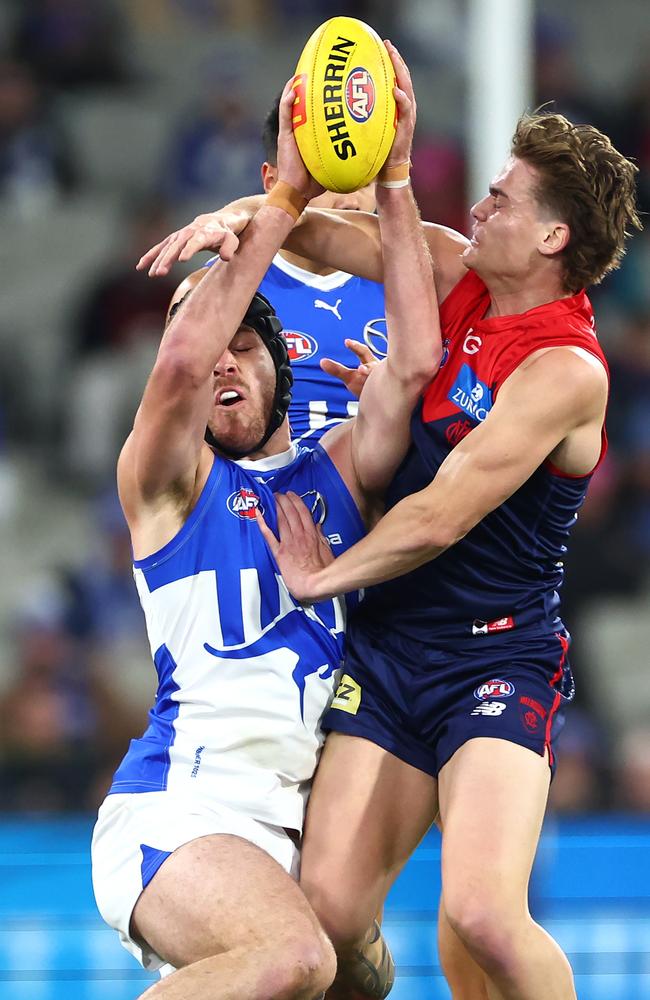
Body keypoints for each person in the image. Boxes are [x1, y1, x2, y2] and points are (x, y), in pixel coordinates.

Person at [138, 42, 641, 1000]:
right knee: (326, 913)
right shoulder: (456, 269)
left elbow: (444, 513)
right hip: (390, 648)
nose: (481, 207)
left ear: (549, 241)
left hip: (493, 658)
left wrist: (322, 574)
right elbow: (321, 235)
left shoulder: (566, 371)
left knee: (485, 915)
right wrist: (234, 220)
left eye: (502, 199)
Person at [93, 63, 440, 1000]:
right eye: (210, 349)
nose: (221, 366)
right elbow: (175, 367)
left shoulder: (335, 475)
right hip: (179, 810)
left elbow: (415, 361)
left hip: (282, 830)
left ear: (283, 362)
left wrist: (397, 179)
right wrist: (284, 195)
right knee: (300, 959)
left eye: (247, 343)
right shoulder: (164, 487)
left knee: (350, 970)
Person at [173, 92, 386, 445]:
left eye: (363, 178)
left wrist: (402, 404)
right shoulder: (212, 291)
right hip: (264, 493)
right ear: (272, 182)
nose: (350, 200)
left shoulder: (415, 287)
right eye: (330, 178)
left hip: (384, 494)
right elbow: (183, 442)